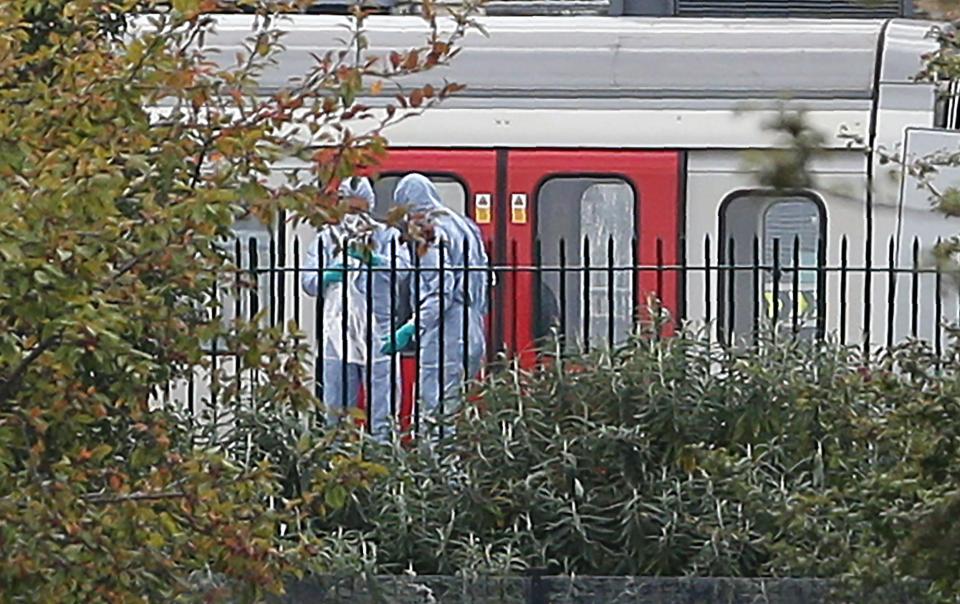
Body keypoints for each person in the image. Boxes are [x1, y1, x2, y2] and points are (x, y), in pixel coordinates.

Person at [302, 177, 409, 440]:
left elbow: (404, 269)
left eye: (358, 210)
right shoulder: (326, 239)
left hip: (378, 329)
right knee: (335, 406)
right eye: (347, 208)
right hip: (337, 332)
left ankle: (382, 455)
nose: (352, 215)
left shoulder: (387, 236)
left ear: (369, 205)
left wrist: (375, 260)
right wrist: (327, 275)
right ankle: (334, 457)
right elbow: (308, 281)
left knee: (382, 405)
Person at [380, 174, 488, 433]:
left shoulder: (429, 233)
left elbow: (440, 291)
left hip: (445, 332)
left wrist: (412, 327)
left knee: (435, 413)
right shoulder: (464, 226)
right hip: (472, 328)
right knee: (454, 407)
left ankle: (439, 471)